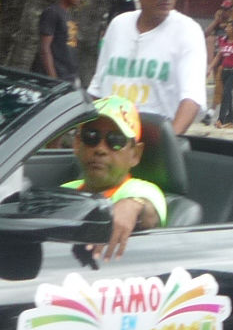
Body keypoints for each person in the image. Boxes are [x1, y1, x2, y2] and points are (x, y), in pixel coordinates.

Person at [89, 0, 207, 134]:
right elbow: (97, 88)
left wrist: (169, 145)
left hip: (153, 141)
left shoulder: (187, 31)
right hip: (108, 140)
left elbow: (192, 98)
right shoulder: (118, 25)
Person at [62, 94, 162, 261]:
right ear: (77, 144)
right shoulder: (66, 191)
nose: (100, 149)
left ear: (135, 154)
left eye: (115, 140)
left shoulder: (142, 190)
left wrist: (132, 207)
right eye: (91, 136)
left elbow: (149, 212)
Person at [37, 0, 82, 85]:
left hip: (70, 76)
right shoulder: (52, 12)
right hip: (58, 78)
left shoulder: (68, 14)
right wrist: (53, 80)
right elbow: (45, 49)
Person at [212, 20, 233, 128]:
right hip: (225, 70)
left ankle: (221, 120)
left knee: (226, 92)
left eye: (229, 27)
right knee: (228, 94)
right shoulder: (223, 40)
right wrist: (210, 67)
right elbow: (219, 56)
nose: (226, 29)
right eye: (226, 27)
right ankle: (231, 118)